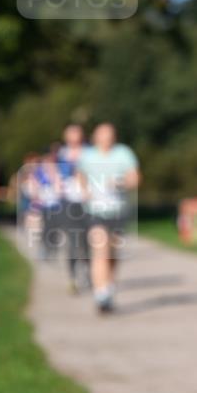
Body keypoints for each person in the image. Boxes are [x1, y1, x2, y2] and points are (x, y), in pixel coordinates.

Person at [78, 123, 140, 314]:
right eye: (102, 135)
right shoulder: (87, 156)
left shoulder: (123, 153)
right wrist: (85, 191)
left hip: (118, 210)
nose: (106, 138)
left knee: (112, 253)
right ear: (95, 137)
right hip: (94, 210)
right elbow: (80, 176)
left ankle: (108, 284)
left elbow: (135, 178)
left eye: (109, 135)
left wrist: (120, 182)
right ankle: (100, 293)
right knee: (100, 249)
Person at [56, 123, 90, 294]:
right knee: (72, 241)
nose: (75, 136)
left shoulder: (90, 151)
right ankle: (73, 278)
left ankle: (89, 272)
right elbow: (60, 175)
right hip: (69, 201)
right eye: (71, 133)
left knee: (88, 240)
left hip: (88, 202)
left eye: (77, 133)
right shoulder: (62, 153)